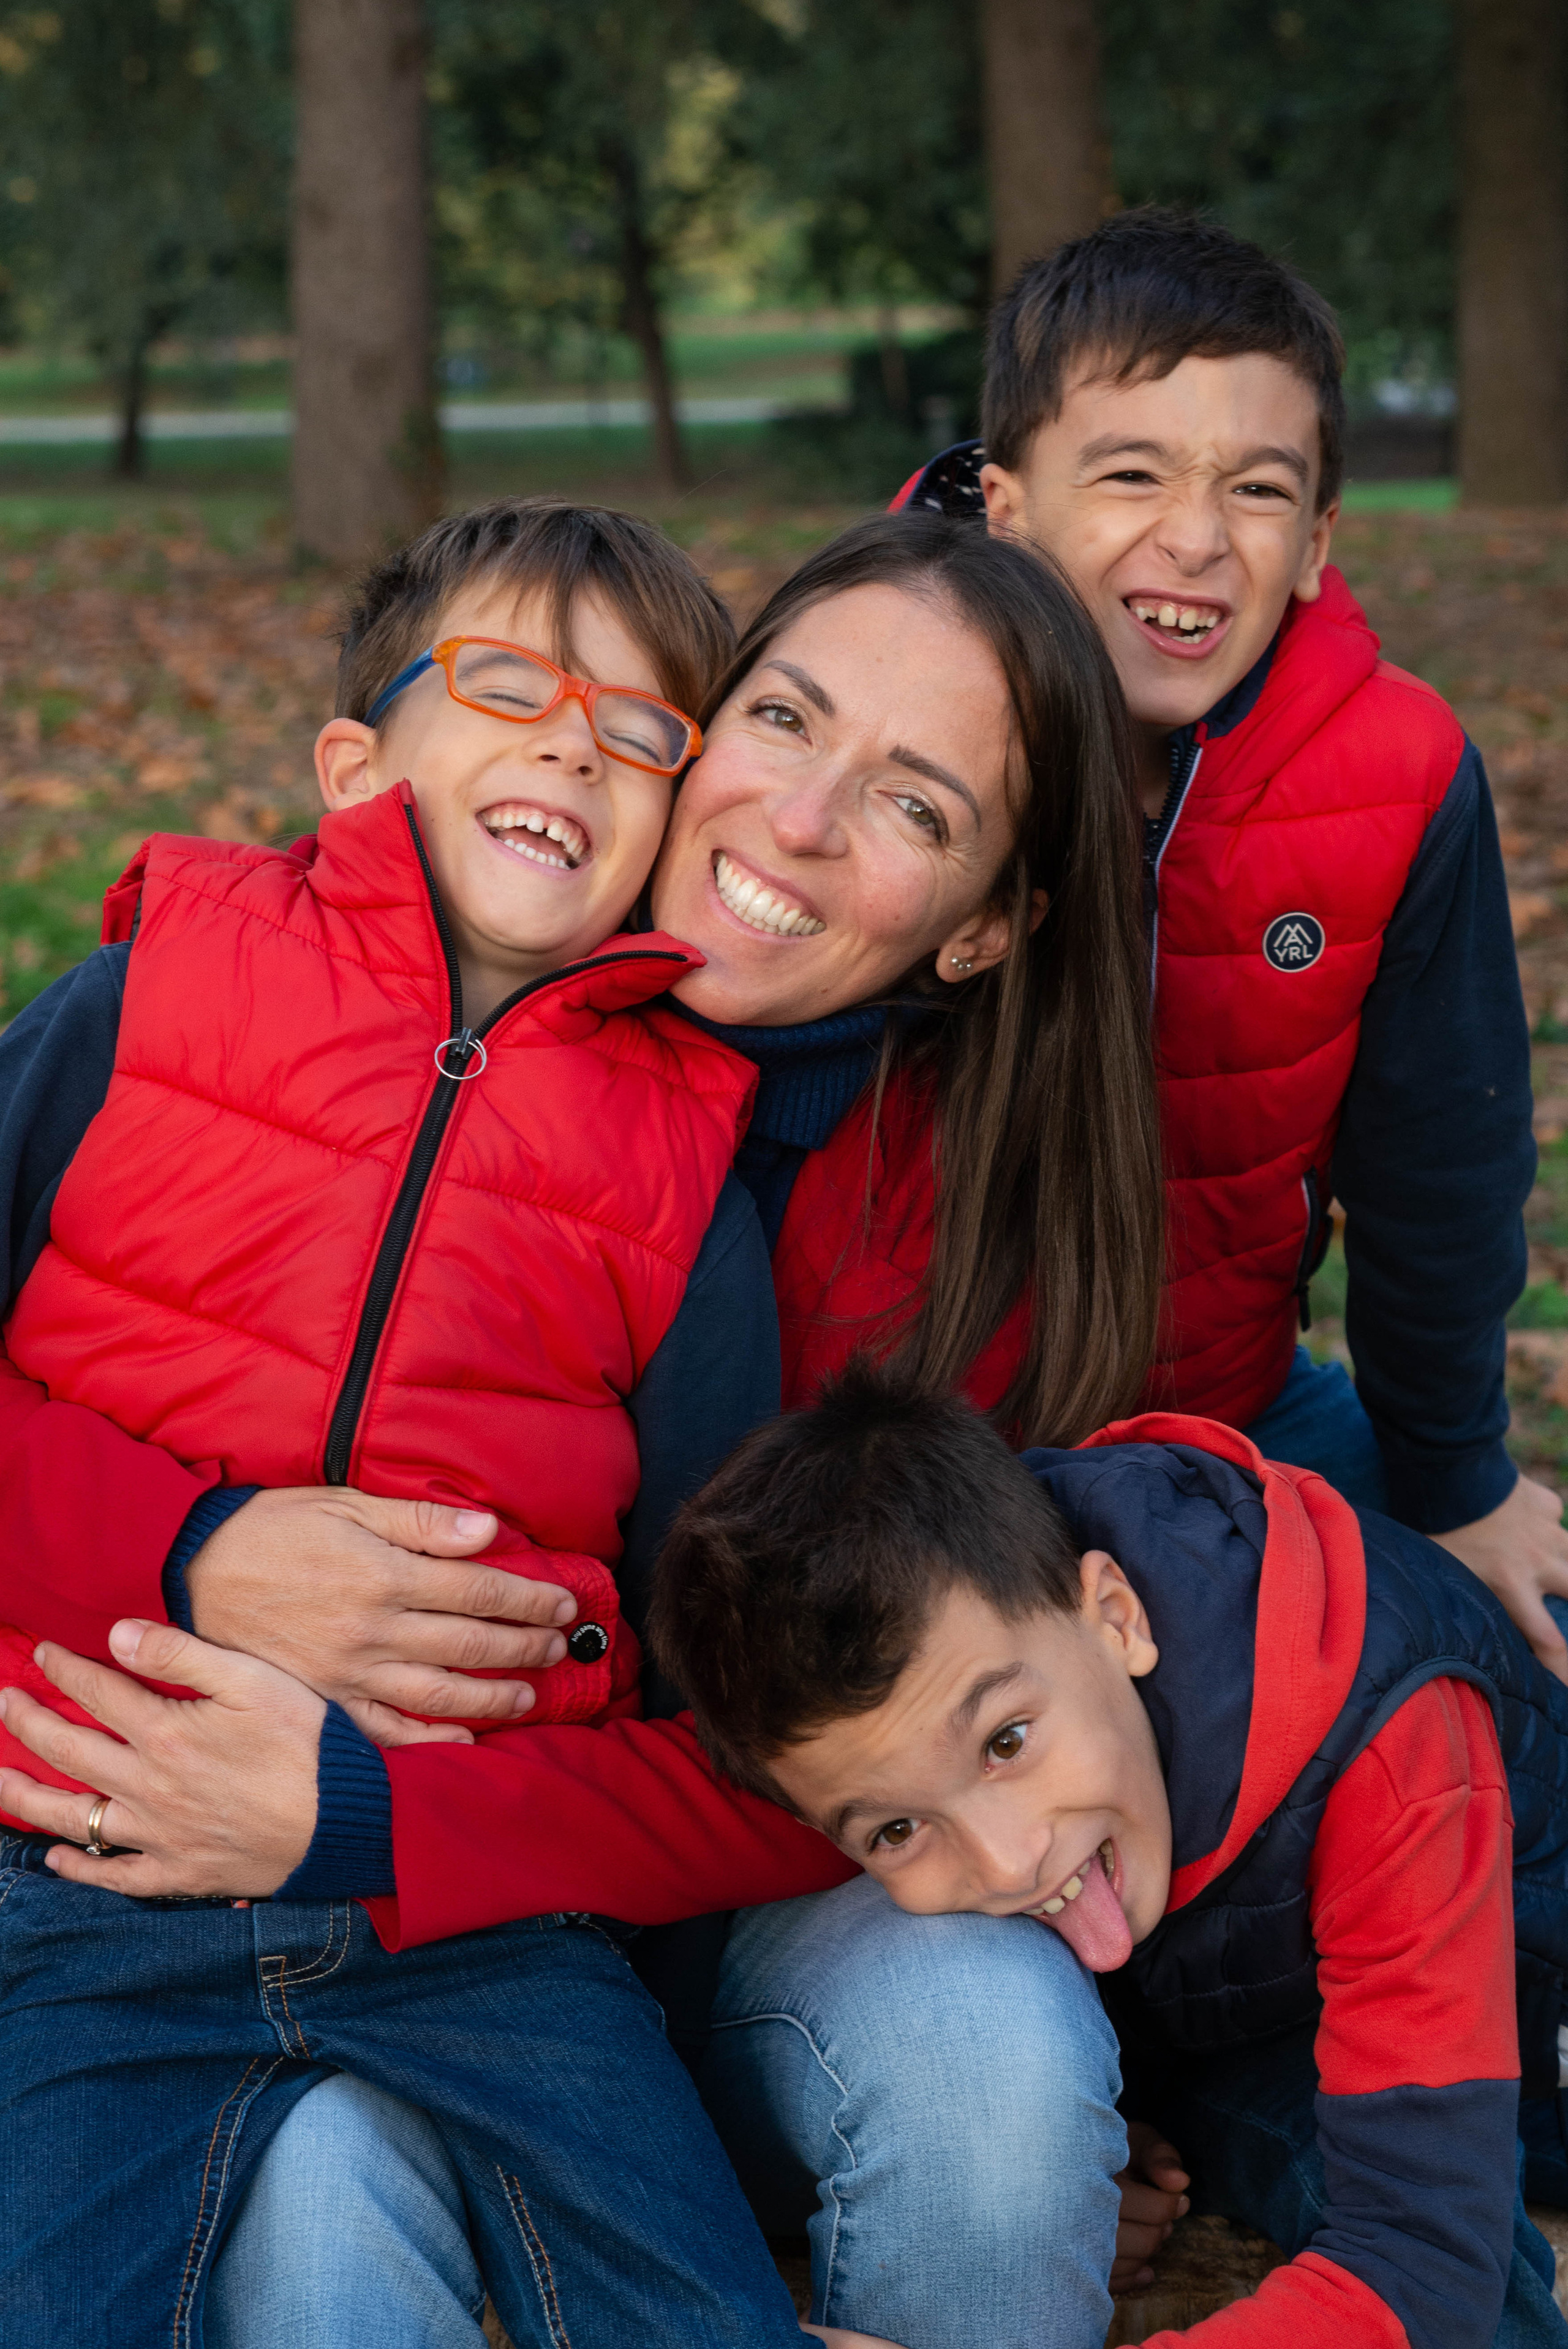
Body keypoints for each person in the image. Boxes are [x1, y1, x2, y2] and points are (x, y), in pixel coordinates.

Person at [0, 507, 1165, 2348]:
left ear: (985, 928)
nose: (796, 819)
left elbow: (737, 1686)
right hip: (99, 1855)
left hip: (511, 1918)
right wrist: (193, 1554)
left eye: (914, 806)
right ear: (357, 763)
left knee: (763, 2242)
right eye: (780, 721)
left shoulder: (727, 1188)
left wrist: (388, 1794)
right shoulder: (172, 994)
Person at [889, 208, 1558, 1676]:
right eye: (1129, 473)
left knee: (1522, 1667)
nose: (1194, 538)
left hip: (1228, 1407)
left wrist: (1456, 1478)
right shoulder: (856, 711)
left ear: (1314, 543)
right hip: (904, 1439)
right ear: (1004, 504)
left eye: (1255, 489)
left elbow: (1439, 1165)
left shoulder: (1392, 771)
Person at [652, 1359, 1568, 2349]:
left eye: (1006, 1741)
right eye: (896, 1831)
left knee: (1489, 2314)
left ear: (1116, 1618)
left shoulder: (1390, 1747)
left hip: (1441, 2016)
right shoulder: (1035, 1705)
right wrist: (1086, 2126)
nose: (1008, 1862)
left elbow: (1425, 2263)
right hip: (1210, 2016)